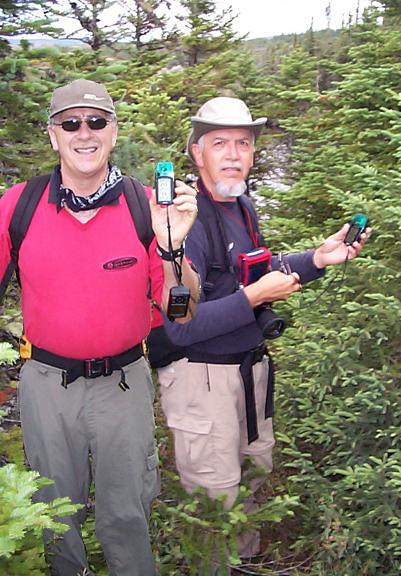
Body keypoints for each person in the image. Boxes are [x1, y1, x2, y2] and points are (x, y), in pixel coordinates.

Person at [148, 96, 369, 561]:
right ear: (196, 153)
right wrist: (255, 298)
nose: (233, 154)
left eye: (243, 143)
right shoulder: (184, 222)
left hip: (248, 374)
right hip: (202, 380)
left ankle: (244, 563)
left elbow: (253, 270)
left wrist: (316, 259)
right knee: (215, 502)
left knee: (249, 483)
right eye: (220, 143)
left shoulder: (240, 202)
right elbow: (182, 328)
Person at [0, 79, 199, 576]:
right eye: (70, 123)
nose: (83, 132)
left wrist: (172, 247)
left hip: (123, 384)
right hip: (45, 383)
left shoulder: (147, 207)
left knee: (128, 513)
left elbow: (183, 311)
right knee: (52, 516)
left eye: (96, 121)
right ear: (53, 135)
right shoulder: (17, 206)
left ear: (113, 132)